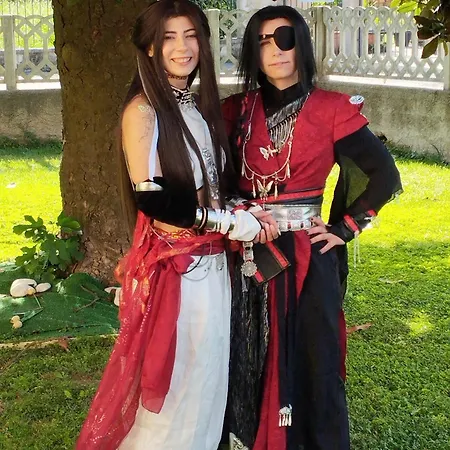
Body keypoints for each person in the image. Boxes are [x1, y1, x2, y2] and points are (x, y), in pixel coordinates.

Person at [76, 1, 277, 449]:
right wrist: (228, 223)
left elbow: (212, 185)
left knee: (207, 383)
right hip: (181, 274)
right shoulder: (143, 111)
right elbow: (153, 200)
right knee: (178, 388)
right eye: (169, 37)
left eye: (191, 36)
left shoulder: (197, 108)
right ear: (150, 47)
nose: (182, 47)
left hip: (213, 269)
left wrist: (243, 210)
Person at [222, 6, 403, 450]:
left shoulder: (332, 109)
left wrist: (346, 227)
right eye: (263, 41)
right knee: (244, 352)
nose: (275, 50)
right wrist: (238, 212)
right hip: (245, 253)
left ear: (301, 43)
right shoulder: (234, 111)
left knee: (314, 357)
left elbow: (385, 176)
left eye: (284, 38)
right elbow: (215, 179)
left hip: (307, 257)